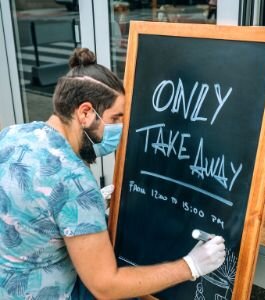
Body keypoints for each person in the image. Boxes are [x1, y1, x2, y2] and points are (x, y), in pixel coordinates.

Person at [0, 48, 226, 299]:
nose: (120, 128)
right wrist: (190, 266)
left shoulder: (12, 134)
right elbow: (106, 286)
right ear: (85, 112)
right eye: (115, 118)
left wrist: (92, 203)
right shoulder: (74, 183)